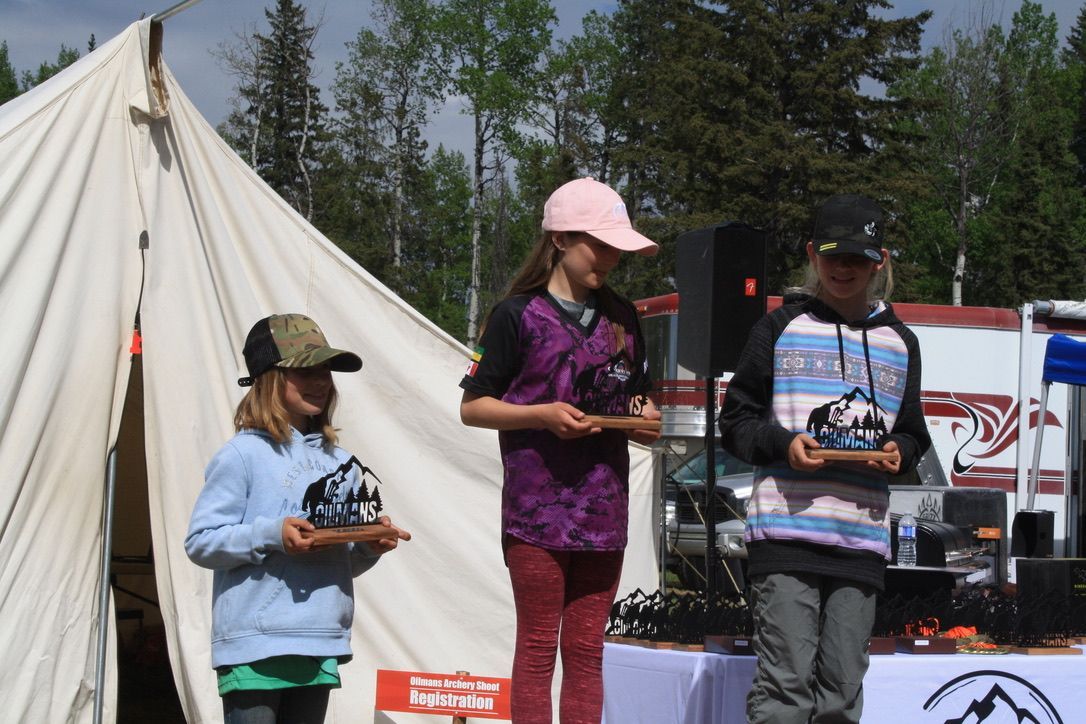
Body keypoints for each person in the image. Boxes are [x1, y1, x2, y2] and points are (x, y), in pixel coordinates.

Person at [717, 194, 931, 724]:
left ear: (879, 261)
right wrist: (783, 444)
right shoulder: (777, 328)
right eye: (833, 256)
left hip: (860, 539)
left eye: (858, 259)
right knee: (786, 687)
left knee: (840, 692)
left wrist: (899, 451)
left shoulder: (901, 342)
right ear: (813, 254)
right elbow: (736, 423)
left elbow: (912, 432)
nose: (843, 268)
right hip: (786, 534)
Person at [459, 177, 662, 724]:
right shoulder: (515, 315)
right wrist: (540, 416)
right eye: (600, 244)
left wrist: (644, 420)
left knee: (587, 651)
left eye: (617, 247)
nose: (612, 258)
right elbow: (473, 406)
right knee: (538, 648)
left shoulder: (625, 317)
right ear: (559, 239)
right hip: (535, 515)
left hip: (605, 512)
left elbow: (640, 401)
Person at [186, 313, 410, 724]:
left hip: (318, 640)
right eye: (305, 370)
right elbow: (200, 542)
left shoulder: (341, 463)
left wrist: (368, 547)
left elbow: (337, 562)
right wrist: (274, 533)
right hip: (252, 646)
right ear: (269, 377)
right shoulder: (241, 455)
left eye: (325, 370)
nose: (321, 380)